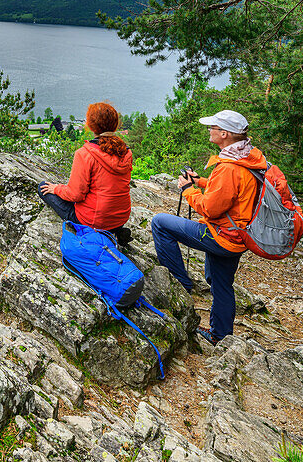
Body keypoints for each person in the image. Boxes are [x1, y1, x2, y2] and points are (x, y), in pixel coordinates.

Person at [151, 109, 266, 345]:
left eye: (213, 127)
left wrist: (188, 190)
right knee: (221, 283)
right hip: (238, 237)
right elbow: (232, 191)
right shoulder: (248, 157)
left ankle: (179, 282)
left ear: (224, 133)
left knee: (160, 223)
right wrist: (201, 181)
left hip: (220, 235)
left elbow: (211, 208)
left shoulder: (229, 166)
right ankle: (220, 336)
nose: (209, 130)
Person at [38, 102, 134, 245]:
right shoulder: (125, 152)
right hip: (121, 217)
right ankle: (116, 230)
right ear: (115, 125)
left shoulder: (85, 154)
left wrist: (56, 188)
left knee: (42, 187)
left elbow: (75, 195)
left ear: (90, 125)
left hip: (94, 221)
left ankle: (96, 232)